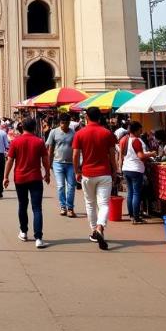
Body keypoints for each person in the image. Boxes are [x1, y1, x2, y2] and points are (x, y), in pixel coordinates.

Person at [72, 106, 118, 250]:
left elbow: (75, 155)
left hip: (87, 173)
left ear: (86, 118)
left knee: (90, 203)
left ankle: (93, 231)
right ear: (100, 117)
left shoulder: (80, 133)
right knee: (103, 204)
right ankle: (100, 227)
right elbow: (112, 155)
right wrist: (115, 171)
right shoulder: (107, 133)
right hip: (104, 173)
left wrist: (77, 171)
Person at [4, 117, 50, 249]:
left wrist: (5, 177)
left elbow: (10, 161)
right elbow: (45, 160)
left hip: (20, 178)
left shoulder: (16, 142)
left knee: (22, 205)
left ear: (22, 127)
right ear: (34, 127)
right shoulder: (39, 142)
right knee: (37, 208)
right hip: (35, 178)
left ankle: (23, 232)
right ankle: (39, 238)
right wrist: (47, 173)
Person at [118, 121, 156, 224]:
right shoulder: (136, 141)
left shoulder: (124, 139)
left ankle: (132, 215)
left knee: (130, 193)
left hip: (126, 168)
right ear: (136, 130)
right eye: (140, 130)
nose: (141, 132)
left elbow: (121, 155)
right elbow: (141, 156)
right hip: (135, 169)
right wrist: (152, 154)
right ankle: (136, 217)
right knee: (136, 193)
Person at [46, 112, 76, 217]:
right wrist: (48, 164)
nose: (65, 125)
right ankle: (63, 206)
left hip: (71, 164)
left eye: (67, 123)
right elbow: (50, 149)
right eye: (63, 123)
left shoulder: (73, 133)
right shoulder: (54, 132)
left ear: (69, 123)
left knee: (71, 186)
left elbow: (77, 150)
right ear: (60, 123)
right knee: (61, 186)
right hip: (57, 163)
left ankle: (70, 207)